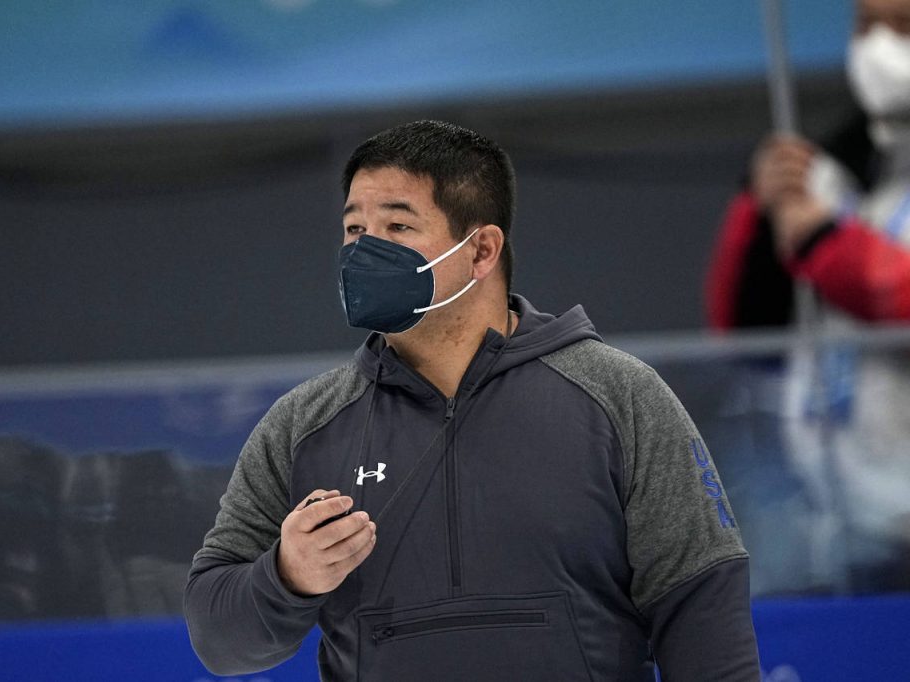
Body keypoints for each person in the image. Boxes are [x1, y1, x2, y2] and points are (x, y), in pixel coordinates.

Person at [185, 120, 761, 680]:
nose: (364, 251)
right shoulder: (302, 425)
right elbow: (218, 639)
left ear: (482, 249)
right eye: (355, 228)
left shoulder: (619, 396)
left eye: (398, 226)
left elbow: (704, 612)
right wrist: (286, 576)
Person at [705, 0, 910, 594]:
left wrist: (820, 240)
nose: (878, 48)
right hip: (846, 520)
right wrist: (763, 206)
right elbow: (749, 335)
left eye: (903, 26)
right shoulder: (848, 173)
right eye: (866, 25)